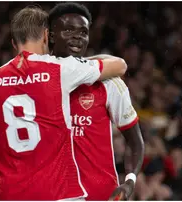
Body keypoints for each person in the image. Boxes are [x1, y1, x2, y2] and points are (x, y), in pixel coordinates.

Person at [0, 6, 128, 200]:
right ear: (46, 35)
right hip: (57, 192)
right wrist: (84, 64)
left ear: (13, 43)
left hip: (12, 194)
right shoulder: (60, 69)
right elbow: (120, 65)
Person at [49, 3, 144, 201]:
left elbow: (135, 142)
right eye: (68, 30)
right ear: (50, 35)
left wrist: (129, 181)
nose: (77, 36)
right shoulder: (36, 82)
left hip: (101, 196)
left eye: (83, 32)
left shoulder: (109, 82)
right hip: (53, 195)